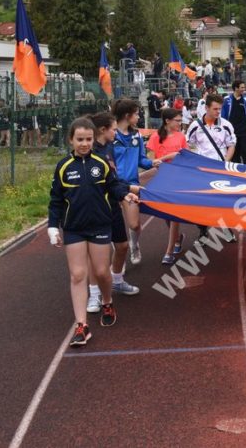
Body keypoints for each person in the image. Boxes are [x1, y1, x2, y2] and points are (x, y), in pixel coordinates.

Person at [49, 118, 139, 349]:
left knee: (101, 272)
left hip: (100, 225)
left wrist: (124, 195)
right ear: (71, 140)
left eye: (88, 139)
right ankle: (82, 325)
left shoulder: (101, 163)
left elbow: (113, 186)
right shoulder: (63, 167)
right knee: (78, 274)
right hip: (74, 228)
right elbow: (56, 201)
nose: (84, 143)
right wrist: (52, 226)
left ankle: (107, 301)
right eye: (79, 139)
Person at [88, 112, 140, 310]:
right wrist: (129, 189)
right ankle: (94, 294)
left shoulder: (109, 147)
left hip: (113, 203)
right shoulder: (92, 153)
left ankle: (117, 280)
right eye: (112, 129)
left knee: (122, 246)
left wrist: (125, 191)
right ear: (103, 130)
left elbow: (113, 179)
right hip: (96, 208)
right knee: (96, 255)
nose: (115, 132)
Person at [113, 99, 159, 266]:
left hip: (131, 185)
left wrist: (153, 163)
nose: (139, 116)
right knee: (114, 225)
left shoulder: (136, 135)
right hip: (111, 185)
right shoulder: (111, 135)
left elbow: (141, 159)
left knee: (134, 224)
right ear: (127, 115)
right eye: (137, 113)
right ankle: (119, 255)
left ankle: (134, 244)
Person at [187, 93, 237, 243]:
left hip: (220, 169)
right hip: (201, 171)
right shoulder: (195, 126)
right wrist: (196, 160)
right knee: (202, 203)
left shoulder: (226, 125)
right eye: (215, 109)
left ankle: (227, 229)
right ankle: (203, 232)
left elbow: (231, 145)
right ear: (206, 108)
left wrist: (225, 162)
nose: (217, 112)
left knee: (223, 201)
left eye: (220, 109)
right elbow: (188, 144)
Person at [146, 108, 187, 265]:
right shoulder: (156, 137)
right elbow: (151, 160)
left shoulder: (181, 137)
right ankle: (178, 238)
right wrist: (161, 163)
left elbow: (184, 156)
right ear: (167, 121)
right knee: (165, 215)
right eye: (177, 120)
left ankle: (169, 251)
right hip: (162, 178)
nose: (180, 123)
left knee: (173, 214)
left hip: (177, 179)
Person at [222, 80, 246, 164]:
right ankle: (236, 175)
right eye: (242, 87)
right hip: (233, 133)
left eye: (244, 87)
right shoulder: (227, 100)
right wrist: (225, 129)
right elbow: (223, 116)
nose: (244, 89)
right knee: (234, 157)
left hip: (245, 133)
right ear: (236, 88)